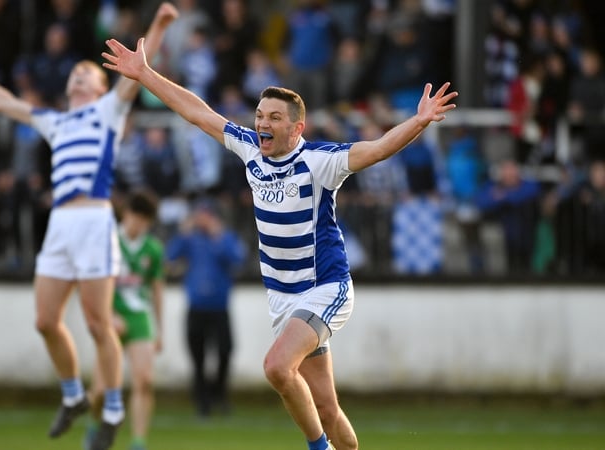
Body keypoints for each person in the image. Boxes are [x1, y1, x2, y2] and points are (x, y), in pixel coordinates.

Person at [101, 37, 457, 450]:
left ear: (296, 127)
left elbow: (376, 150)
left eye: (273, 117)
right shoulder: (251, 150)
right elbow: (199, 113)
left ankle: (318, 448)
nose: (262, 124)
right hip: (284, 300)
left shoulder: (320, 161)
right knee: (326, 408)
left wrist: (419, 121)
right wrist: (145, 73)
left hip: (326, 287)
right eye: (259, 115)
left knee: (275, 367)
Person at [0, 4, 178, 449]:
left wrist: (159, 26)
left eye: (87, 73)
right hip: (61, 223)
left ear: (102, 84)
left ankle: (110, 408)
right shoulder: (55, 121)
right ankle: (72, 395)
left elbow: (137, 73)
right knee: (46, 321)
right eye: (76, 74)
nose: (78, 77)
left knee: (96, 322)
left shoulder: (109, 110)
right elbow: (4, 102)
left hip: (93, 220)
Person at [86, 190, 166, 450]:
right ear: (126, 213)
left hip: (138, 318)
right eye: (135, 216)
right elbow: (90, 285)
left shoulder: (153, 249)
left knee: (145, 381)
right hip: (109, 318)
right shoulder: (106, 242)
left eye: (145, 219)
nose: (138, 223)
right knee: (100, 390)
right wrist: (106, 315)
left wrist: (160, 330)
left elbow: (156, 289)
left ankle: (138, 442)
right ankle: (94, 428)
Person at [166, 198, 247, 418]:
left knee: (225, 351)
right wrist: (183, 233)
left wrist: (217, 236)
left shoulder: (224, 237)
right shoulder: (190, 239)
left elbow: (237, 258)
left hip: (219, 307)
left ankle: (219, 395)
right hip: (196, 307)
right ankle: (202, 402)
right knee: (198, 356)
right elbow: (170, 256)